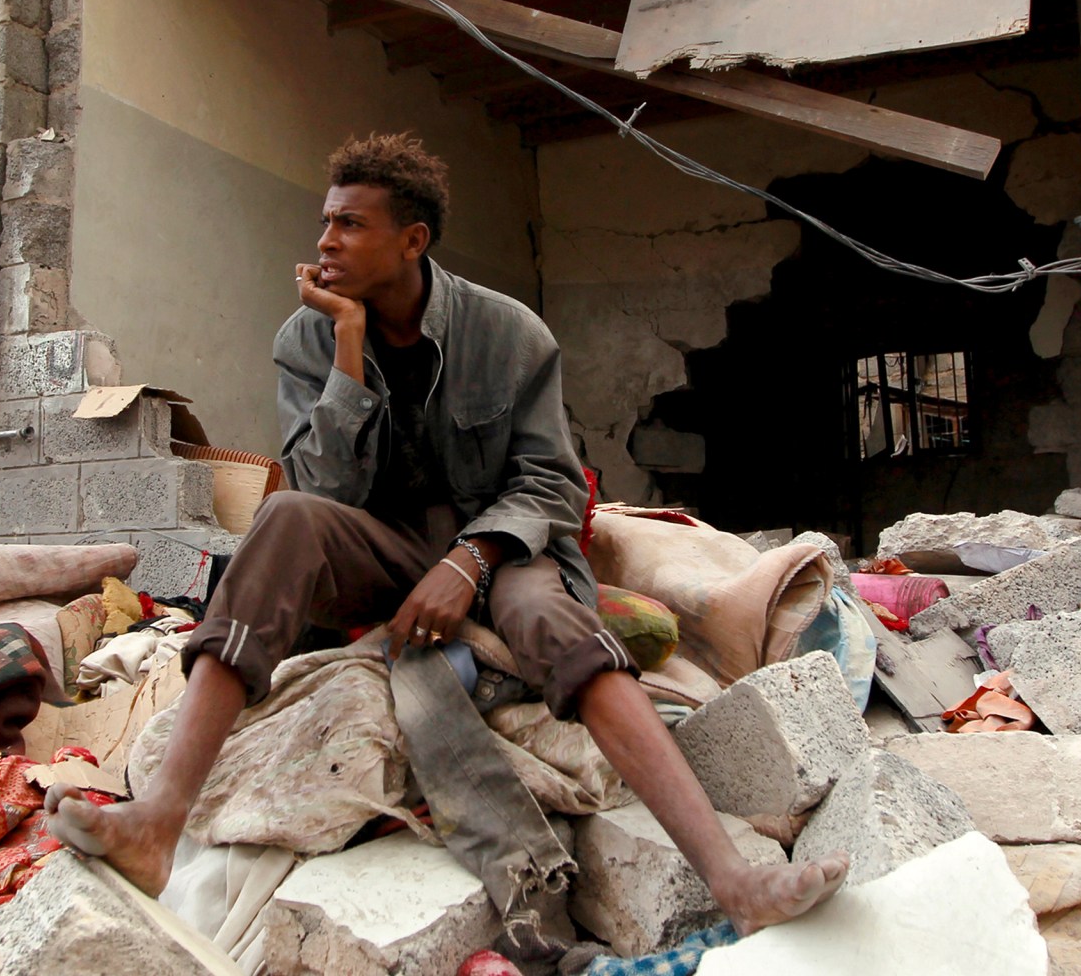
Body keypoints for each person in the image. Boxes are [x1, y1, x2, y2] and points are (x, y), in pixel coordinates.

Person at [46, 133, 847, 936]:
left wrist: (470, 559)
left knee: (546, 620)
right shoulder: (306, 339)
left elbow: (553, 484)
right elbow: (321, 490)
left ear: (412, 240)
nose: (324, 242)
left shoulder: (510, 334)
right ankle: (155, 825)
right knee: (285, 515)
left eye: (350, 225)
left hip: (505, 549)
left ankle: (734, 880)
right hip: (381, 551)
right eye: (325, 223)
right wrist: (348, 350)